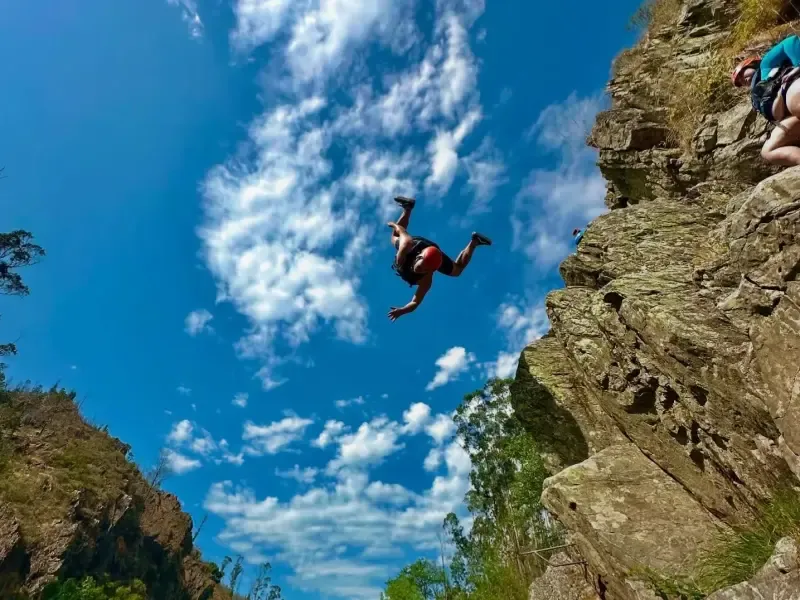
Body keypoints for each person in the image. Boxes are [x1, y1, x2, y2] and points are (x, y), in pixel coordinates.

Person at [387, 196, 492, 322]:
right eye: (421, 267)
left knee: (457, 271)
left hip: (433, 255)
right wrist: (393, 224)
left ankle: (475, 241)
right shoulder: (405, 248)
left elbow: (415, 301)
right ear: (419, 257)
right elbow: (401, 230)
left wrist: (403, 310)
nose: (422, 271)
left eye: (426, 270)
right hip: (417, 245)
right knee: (394, 237)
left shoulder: (426, 278)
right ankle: (407, 208)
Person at [732, 34, 800, 166]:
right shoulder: (757, 97)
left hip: (793, 90)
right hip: (789, 115)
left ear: (751, 64)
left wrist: (799, 64)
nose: (742, 79)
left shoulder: (765, 64)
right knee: (768, 151)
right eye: (739, 81)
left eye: (741, 73)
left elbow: (791, 42)